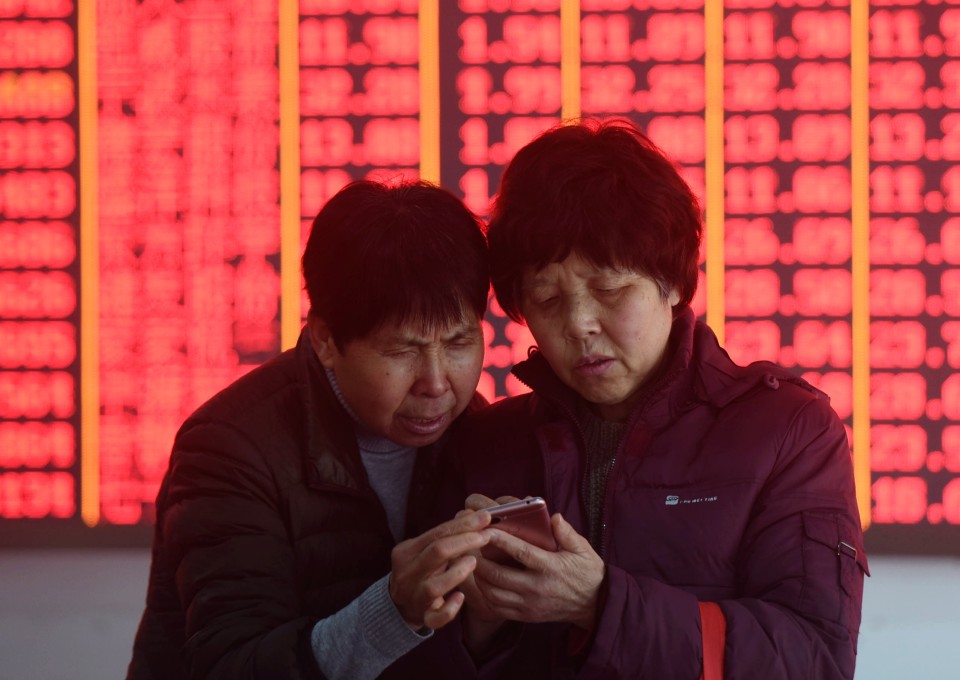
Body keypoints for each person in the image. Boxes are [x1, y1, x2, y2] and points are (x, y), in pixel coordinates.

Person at [446, 120, 869, 679]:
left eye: (610, 289)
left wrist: (600, 605)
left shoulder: (788, 431)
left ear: (672, 283)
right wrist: (471, 622)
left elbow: (813, 661)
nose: (579, 325)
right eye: (547, 299)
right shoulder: (483, 443)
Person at [127, 180, 495, 680]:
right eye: (402, 351)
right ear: (325, 339)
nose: (436, 383)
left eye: (458, 342)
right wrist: (394, 611)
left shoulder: (478, 427)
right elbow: (230, 666)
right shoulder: (228, 449)